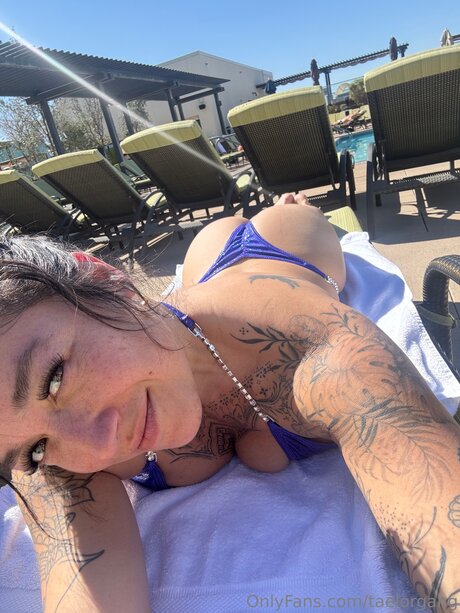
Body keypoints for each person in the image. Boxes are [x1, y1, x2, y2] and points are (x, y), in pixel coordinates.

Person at [0, 193, 459, 612]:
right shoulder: (43, 446)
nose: (99, 445)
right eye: (35, 448)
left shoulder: (314, 344)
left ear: (103, 277)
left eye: (55, 378)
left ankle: (288, 207)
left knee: (291, 221)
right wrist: (39, 436)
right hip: (191, 297)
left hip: (280, 251)